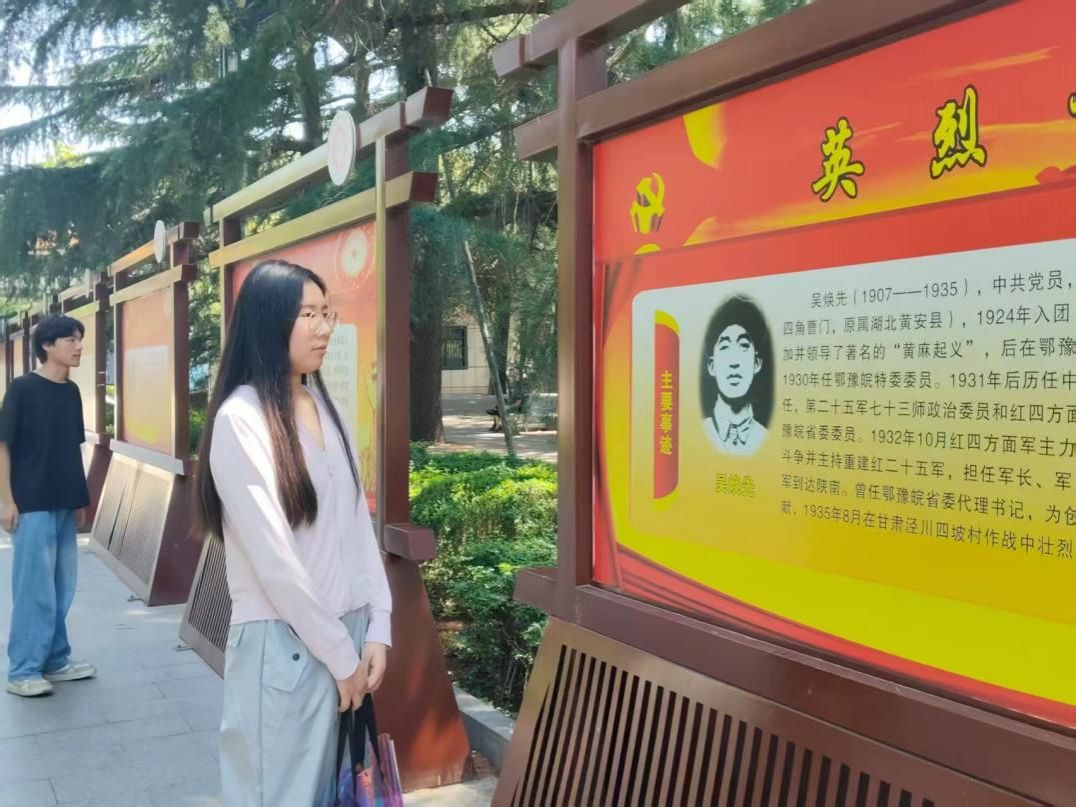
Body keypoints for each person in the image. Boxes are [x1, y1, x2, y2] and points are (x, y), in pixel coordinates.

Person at [193, 260, 392, 806]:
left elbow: (357, 526)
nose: (324, 328)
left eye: (328, 314)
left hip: (346, 636)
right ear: (268, 320)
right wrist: (340, 656)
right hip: (284, 647)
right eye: (309, 315)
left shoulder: (327, 406)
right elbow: (275, 562)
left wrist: (378, 625)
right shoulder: (241, 419)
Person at [0, 314, 96, 697]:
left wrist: (78, 499)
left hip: (62, 501)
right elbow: (3, 446)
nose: (79, 347)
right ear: (47, 345)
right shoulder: (22, 389)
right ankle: (22, 670)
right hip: (31, 503)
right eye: (71, 340)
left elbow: (71, 448)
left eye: (80, 339)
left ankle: (55, 660)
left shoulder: (71, 392)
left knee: (61, 586)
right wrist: (6, 500)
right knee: (33, 589)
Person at [701, 296, 771, 456]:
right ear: (712, 366)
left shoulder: (766, 439)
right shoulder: (696, 434)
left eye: (744, 345)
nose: (734, 362)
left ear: (757, 363)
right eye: (725, 346)